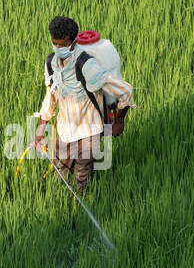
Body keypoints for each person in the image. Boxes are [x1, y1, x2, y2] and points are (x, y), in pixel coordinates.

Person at [33, 16, 135, 196]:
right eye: (55, 43)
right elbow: (50, 98)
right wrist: (40, 133)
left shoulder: (87, 66)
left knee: (82, 180)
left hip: (88, 133)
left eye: (62, 45)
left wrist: (119, 121)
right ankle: (57, 204)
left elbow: (126, 90)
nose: (58, 48)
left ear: (73, 41)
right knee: (59, 175)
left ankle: (78, 208)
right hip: (65, 132)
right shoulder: (51, 63)